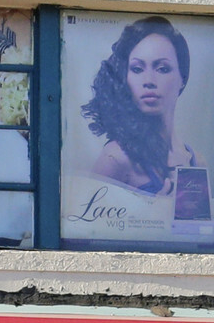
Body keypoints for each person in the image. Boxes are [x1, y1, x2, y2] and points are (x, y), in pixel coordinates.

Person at [81, 17, 201, 195]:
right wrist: (152, 213)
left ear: (182, 78)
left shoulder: (196, 161)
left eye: (162, 69)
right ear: (125, 77)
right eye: (137, 69)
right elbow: (83, 219)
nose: (149, 81)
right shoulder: (115, 158)